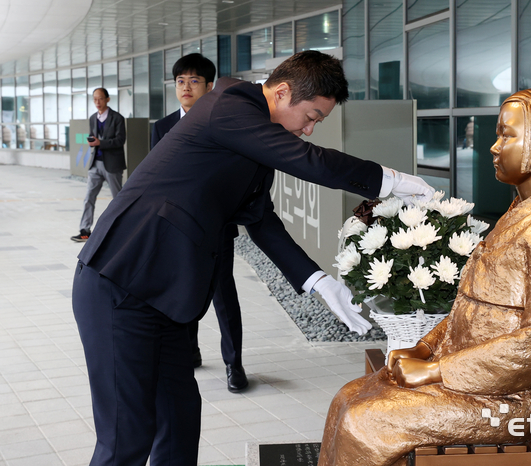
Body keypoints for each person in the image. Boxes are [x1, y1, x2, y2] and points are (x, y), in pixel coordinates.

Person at [72, 50, 433, 466]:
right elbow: (310, 161)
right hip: (121, 283)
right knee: (126, 438)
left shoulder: (254, 132)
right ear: (281, 92)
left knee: (179, 422)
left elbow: (261, 220)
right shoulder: (229, 105)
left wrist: (319, 281)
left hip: (166, 297)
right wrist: (393, 181)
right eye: (311, 116)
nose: (311, 130)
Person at [317, 88, 531, 466]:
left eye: (506, 135)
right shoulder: (518, 215)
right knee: (347, 398)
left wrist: (434, 370)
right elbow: (468, 310)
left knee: (366, 420)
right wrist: (425, 348)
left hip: (510, 400)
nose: (494, 147)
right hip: (470, 376)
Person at [152, 53, 253, 392]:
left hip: (216, 226)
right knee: (184, 289)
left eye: (194, 81)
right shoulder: (162, 127)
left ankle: (233, 364)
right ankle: (190, 350)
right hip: (177, 229)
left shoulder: (224, 123)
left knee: (224, 294)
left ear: (210, 87)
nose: (186, 87)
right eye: (181, 81)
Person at [71, 88, 126, 242]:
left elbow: (120, 140)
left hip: (112, 164)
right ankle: (84, 230)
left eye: (100, 98)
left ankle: (122, 229)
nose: (97, 102)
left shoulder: (118, 118)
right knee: (89, 197)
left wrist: (100, 142)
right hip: (95, 163)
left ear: (107, 99)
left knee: (118, 199)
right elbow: (93, 136)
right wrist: (92, 141)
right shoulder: (93, 117)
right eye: (95, 99)